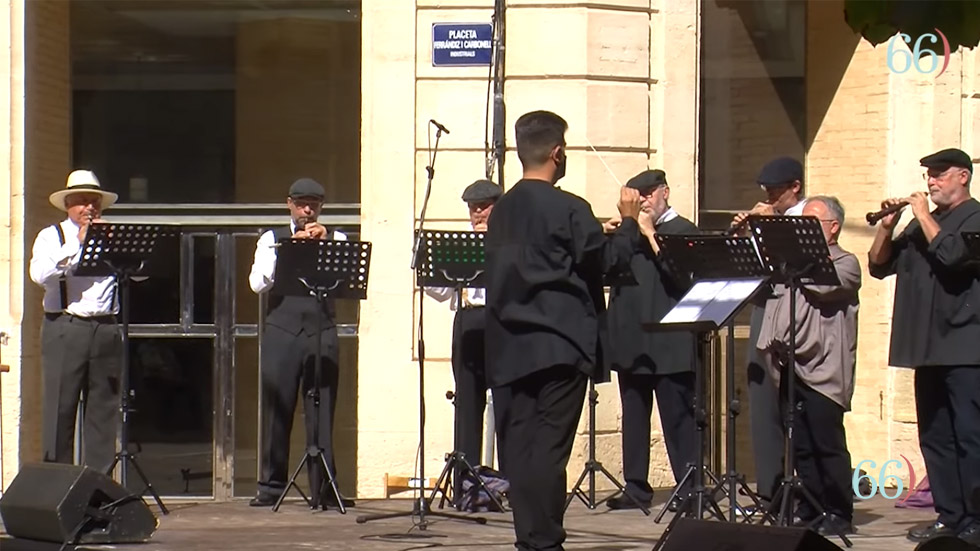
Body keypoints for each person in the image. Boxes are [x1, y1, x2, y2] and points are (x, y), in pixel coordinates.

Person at [484, 110, 643, 550]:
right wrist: (627, 224)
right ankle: (545, 541)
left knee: (518, 450)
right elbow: (607, 264)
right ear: (557, 153)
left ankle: (528, 538)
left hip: (508, 346)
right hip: (559, 344)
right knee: (548, 450)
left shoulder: (502, 211)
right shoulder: (570, 207)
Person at [868, 148, 980, 544]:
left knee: (970, 435)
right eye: (928, 175)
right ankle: (950, 516)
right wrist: (885, 226)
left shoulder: (974, 217)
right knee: (934, 436)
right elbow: (879, 265)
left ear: (963, 176)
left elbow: (952, 256)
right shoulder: (921, 224)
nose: (931, 182)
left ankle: (976, 519)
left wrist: (922, 215)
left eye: (939, 174)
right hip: (926, 347)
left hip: (965, 347)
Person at [756, 196, 859, 536]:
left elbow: (824, 285)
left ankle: (839, 511)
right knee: (799, 442)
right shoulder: (791, 265)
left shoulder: (846, 263)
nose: (806, 231)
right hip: (790, 364)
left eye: (812, 223)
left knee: (826, 442)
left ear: (833, 227)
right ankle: (810, 508)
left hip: (825, 368)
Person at [247, 177, 352, 509]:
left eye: (315, 204)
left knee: (321, 407)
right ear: (289, 204)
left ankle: (324, 488)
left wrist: (325, 246)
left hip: (321, 330)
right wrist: (291, 247)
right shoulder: (271, 239)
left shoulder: (337, 237)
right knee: (277, 407)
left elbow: (347, 282)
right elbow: (257, 284)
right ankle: (270, 486)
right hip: (282, 329)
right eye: (302, 203)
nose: (308, 210)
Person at [603, 169, 698, 511]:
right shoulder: (630, 235)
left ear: (664, 193)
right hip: (632, 339)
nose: (642, 202)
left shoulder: (682, 230)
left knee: (677, 417)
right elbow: (607, 268)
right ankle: (636, 486)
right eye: (637, 196)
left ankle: (689, 486)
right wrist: (615, 233)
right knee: (634, 414)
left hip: (670, 341)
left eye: (648, 195)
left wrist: (650, 233)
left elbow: (682, 277)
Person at [29, 170, 121, 472]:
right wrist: (78, 245)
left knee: (103, 411)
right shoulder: (52, 236)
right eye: (82, 202)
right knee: (60, 407)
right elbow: (40, 275)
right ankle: (56, 484)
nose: (89, 208)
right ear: (68, 204)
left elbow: (142, 273)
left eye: (94, 202)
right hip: (66, 327)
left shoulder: (110, 233)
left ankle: (98, 488)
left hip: (105, 327)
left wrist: (119, 245)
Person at [425, 179, 510, 503]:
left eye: (484, 206)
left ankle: (512, 480)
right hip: (470, 319)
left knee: (507, 403)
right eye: (473, 208)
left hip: (502, 321)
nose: (478, 214)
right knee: (467, 401)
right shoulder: (461, 242)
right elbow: (439, 290)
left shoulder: (508, 241)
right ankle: (467, 480)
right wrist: (432, 265)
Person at [729, 156, 806, 506]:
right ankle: (770, 489)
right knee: (762, 400)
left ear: (795, 187)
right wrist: (746, 235)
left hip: (798, 315)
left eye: (776, 191)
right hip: (765, 307)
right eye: (766, 191)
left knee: (800, 403)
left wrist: (771, 225)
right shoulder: (767, 218)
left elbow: (804, 263)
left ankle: (805, 489)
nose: (770, 197)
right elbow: (751, 270)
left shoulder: (811, 215)